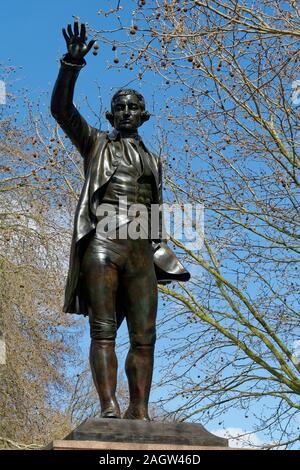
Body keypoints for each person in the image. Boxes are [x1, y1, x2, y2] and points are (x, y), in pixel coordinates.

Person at [51, 21, 190, 421]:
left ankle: (139, 411)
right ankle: (109, 406)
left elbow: (155, 212)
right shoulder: (97, 144)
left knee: (145, 339)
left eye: (134, 106)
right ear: (111, 114)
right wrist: (70, 66)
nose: (127, 111)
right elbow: (61, 109)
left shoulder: (154, 161)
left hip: (141, 250)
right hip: (104, 245)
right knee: (104, 331)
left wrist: (160, 247)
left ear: (143, 115)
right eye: (120, 106)